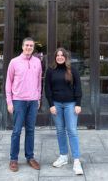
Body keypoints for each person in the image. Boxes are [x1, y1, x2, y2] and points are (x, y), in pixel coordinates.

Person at [6, 37, 42, 172]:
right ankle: (13, 159)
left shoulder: (37, 62)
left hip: (33, 101)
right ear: (22, 47)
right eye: (26, 45)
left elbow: (39, 82)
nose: (28, 47)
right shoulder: (14, 62)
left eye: (31, 46)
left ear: (33, 48)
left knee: (31, 130)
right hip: (18, 101)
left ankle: (30, 157)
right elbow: (8, 83)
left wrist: (38, 98)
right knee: (16, 131)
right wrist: (9, 101)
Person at [45, 47, 83, 175]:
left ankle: (77, 160)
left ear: (66, 57)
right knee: (60, 131)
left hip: (70, 104)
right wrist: (51, 105)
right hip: (56, 104)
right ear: (55, 57)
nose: (60, 57)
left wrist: (78, 104)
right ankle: (63, 156)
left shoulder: (72, 70)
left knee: (72, 131)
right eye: (57, 55)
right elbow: (47, 89)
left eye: (62, 55)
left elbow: (78, 87)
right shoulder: (50, 71)